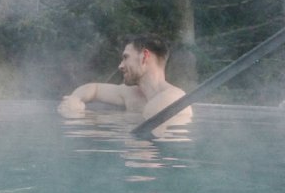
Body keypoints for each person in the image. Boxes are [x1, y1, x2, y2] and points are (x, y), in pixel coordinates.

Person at [58, 34, 193, 125]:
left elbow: (142, 136)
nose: (120, 66)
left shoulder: (172, 99)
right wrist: (75, 100)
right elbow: (94, 88)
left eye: (126, 57)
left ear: (144, 57)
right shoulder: (131, 93)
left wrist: (81, 117)